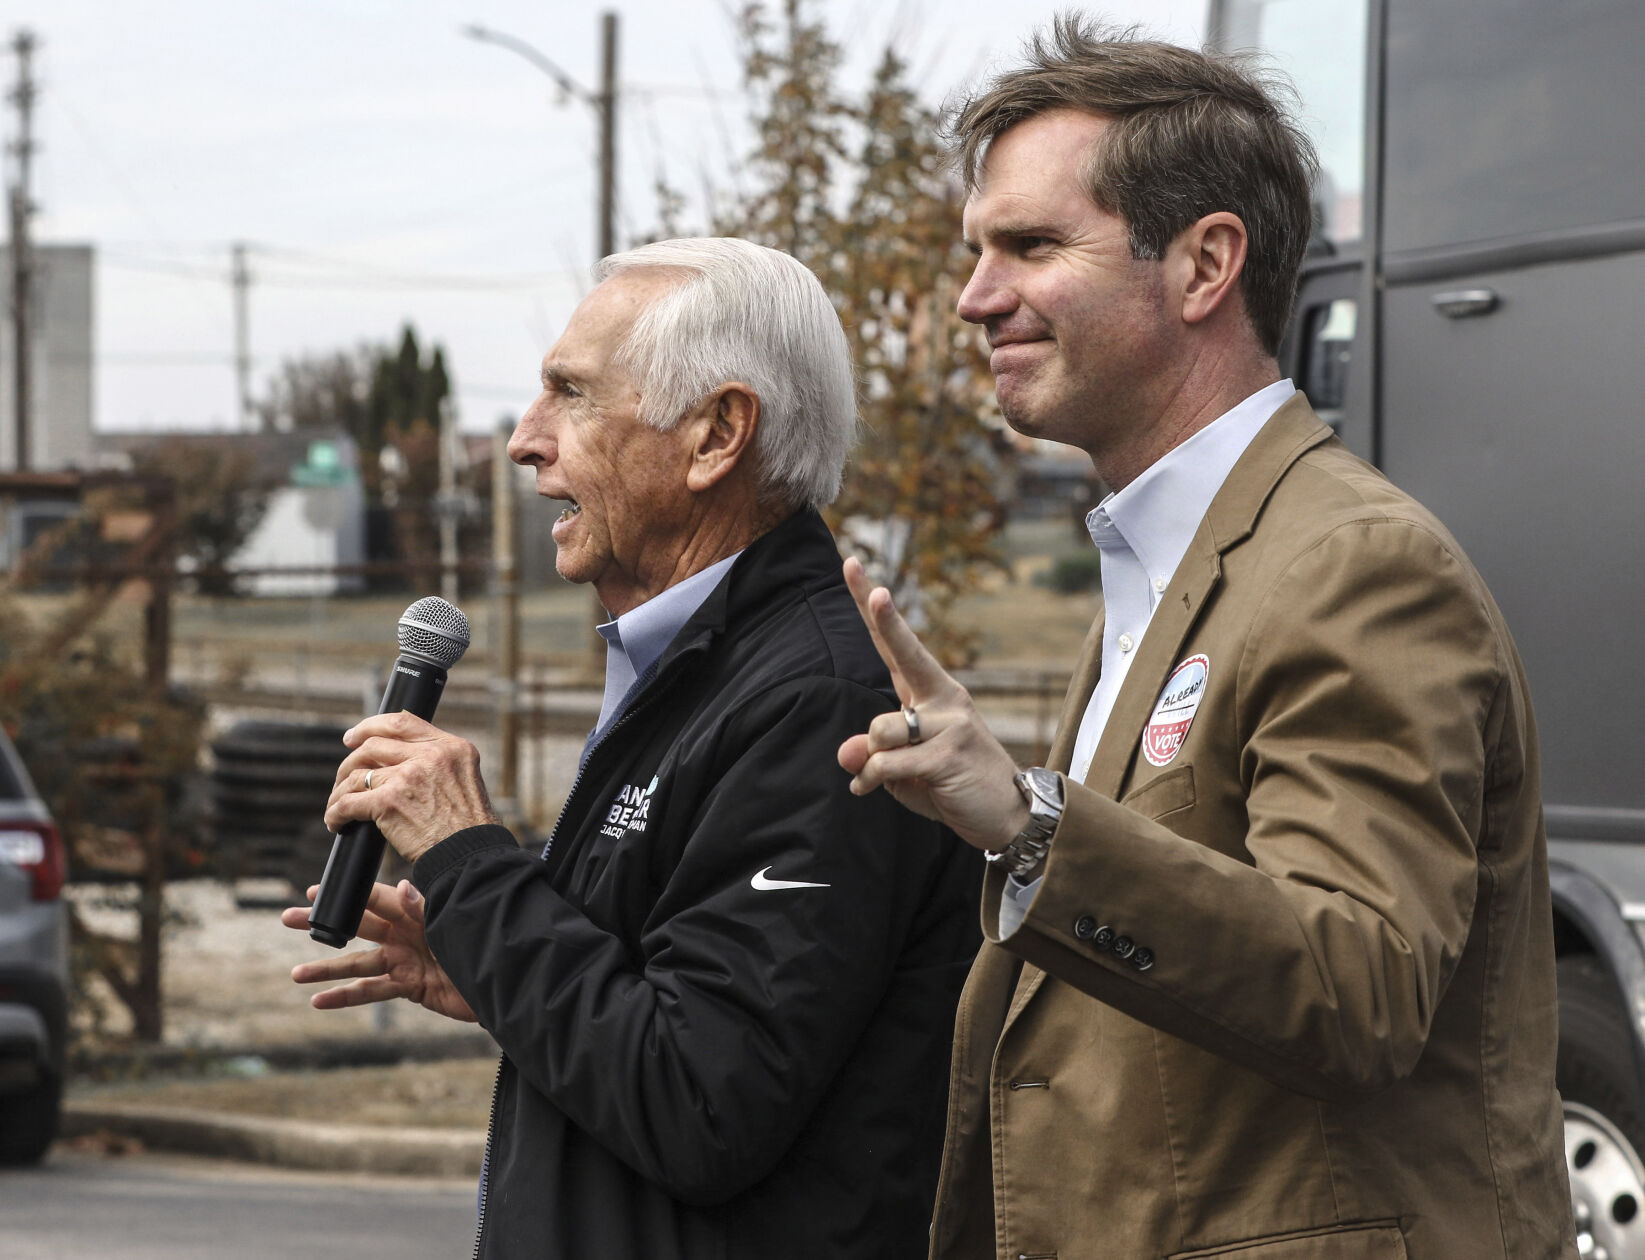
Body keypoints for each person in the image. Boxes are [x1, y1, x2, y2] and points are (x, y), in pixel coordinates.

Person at [837, 21, 1576, 1260]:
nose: (975, 298)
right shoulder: (1170, 558)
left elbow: (1360, 986)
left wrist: (1029, 827)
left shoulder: (1352, 566)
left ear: (1202, 265)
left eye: (1028, 245)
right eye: (977, 254)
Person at [283, 237, 981, 1260]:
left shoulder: (820, 705)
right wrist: (497, 963)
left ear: (715, 435)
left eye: (571, 394)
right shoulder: (706, 669)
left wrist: (473, 867)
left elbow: (703, 1103)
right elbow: (668, 999)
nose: (524, 442)